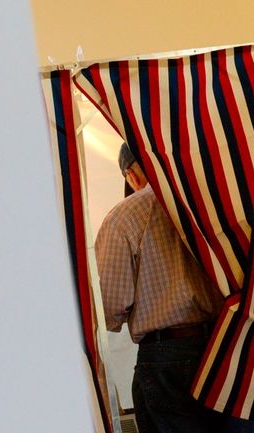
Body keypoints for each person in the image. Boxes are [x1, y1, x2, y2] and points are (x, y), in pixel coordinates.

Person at [95, 143, 227, 433]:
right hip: (230, 343)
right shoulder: (216, 199)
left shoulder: (123, 217)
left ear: (131, 175)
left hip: (165, 356)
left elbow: (110, 305)